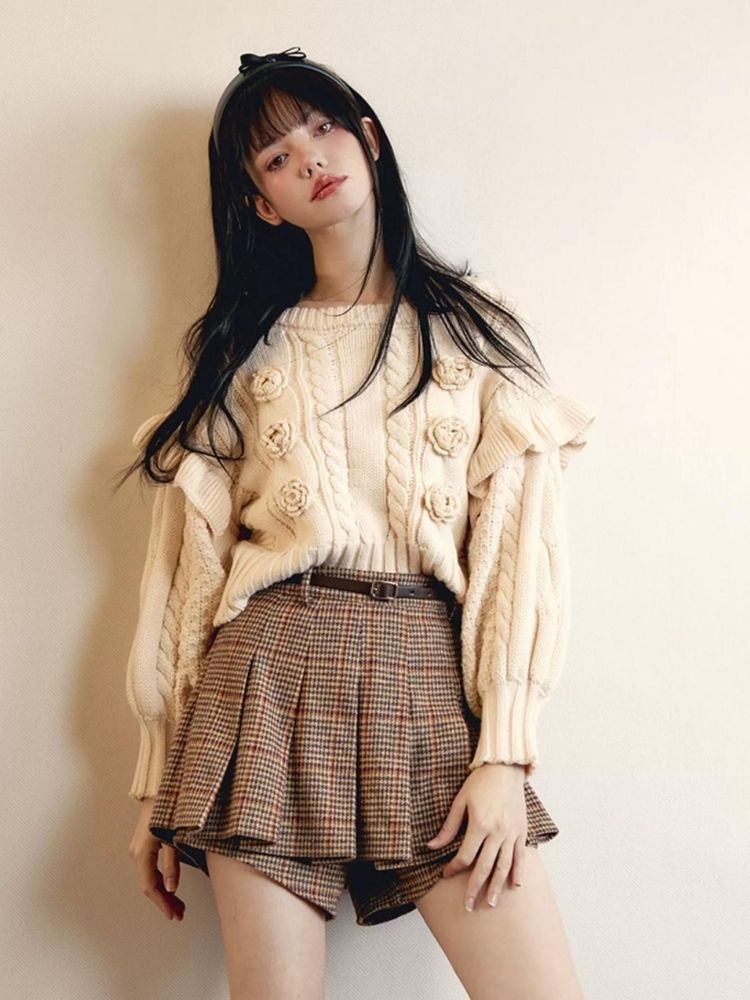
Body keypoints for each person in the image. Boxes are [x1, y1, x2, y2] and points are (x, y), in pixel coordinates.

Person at [116, 46, 595, 999]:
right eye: (275, 158)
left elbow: (519, 548)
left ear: (368, 139)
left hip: (426, 680)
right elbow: (188, 565)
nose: (309, 157)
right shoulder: (242, 351)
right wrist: (159, 776)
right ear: (263, 204)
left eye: (323, 128)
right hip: (265, 679)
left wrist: (505, 752)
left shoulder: (474, 328)